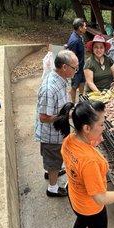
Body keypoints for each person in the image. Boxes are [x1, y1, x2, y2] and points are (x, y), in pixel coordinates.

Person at [35, 50, 78, 197]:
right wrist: (66, 115)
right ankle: (52, 189)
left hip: (58, 131)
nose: (76, 70)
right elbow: (43, 117)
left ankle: (50, 172)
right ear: (65, 67)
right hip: (51, 135)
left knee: (55, 159)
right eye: (75, 67)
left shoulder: (60, 78)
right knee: (54, 160)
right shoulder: (49, 88)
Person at [66, 18, 88, 102]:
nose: (86, 28)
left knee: (82, 82)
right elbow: (71, 57)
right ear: (80, 27)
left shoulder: (79, 36)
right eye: (85, 26)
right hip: (76, 68)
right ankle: (72, 103)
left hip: (81, 65)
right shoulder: (74, 41)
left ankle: (81, 101)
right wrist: (73, 69)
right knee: (74, 86)